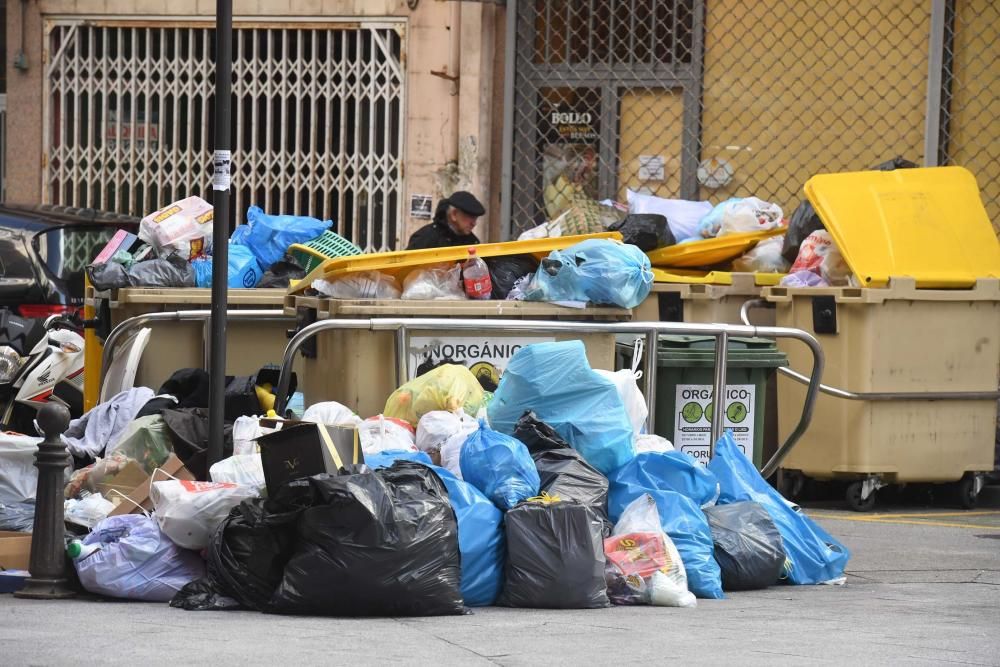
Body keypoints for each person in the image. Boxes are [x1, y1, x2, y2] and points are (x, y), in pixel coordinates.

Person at [406, 191, 486, 250]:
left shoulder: (472, 242)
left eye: (475, 218)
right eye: (470, 217)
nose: (474, 223)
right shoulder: (425, 238)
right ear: (454, 214)